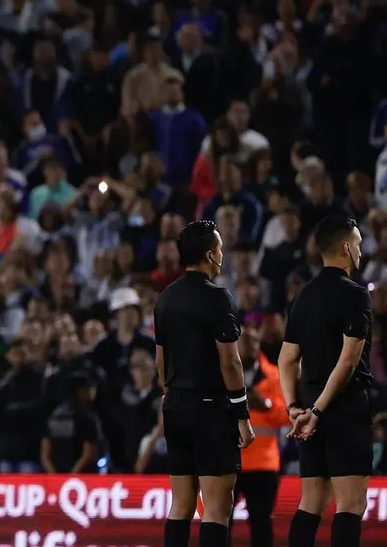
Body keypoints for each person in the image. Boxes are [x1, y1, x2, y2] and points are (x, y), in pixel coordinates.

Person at [153, 219, 255, 547]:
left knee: (180, 504)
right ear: (210, 255)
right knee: (215, 507)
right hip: (210, 409)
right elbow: (230, 362)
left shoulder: (165, 298)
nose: (223, 255)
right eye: (220, 249)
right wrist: (241, 414)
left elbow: (160, 362)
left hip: (176, 405)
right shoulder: (218, 298)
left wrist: (173, 396)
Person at [278, 215, 374, 547]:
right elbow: (348, 360)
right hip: (343, 407)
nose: (361, 251)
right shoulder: (356, 295)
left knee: (311, 503)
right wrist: (318, 411)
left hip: (307, 408)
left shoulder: (301, 296)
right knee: (350, 504)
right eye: (359, 244)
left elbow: (286, 359)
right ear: (346, 248)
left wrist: (295, 408)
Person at [234, 313, 290, 547]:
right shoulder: (221, 373)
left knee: (261, 524)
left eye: (254, 342)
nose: (249, 346)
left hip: (263, 465)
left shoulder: (275, 376)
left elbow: (288, 416)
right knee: (218, 521)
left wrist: (265, 405)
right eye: (244, 341)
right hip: (229, 461)